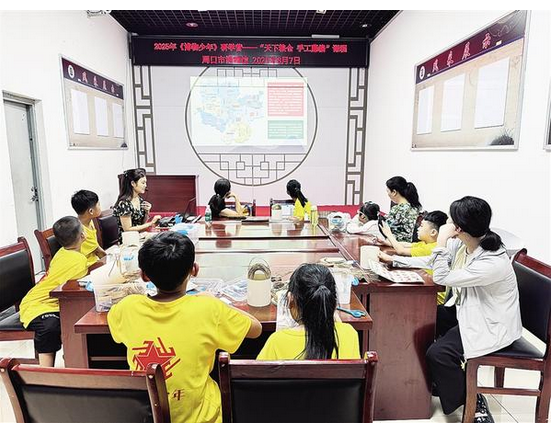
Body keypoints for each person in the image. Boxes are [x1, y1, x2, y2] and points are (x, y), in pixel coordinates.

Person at [389, 196, 522, 422]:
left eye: (450, 220)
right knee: (421, 319)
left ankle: (473, 400)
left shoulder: (492, 262)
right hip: (468, 310)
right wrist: (395, 262)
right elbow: (434, 261)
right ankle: (436, 380)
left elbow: (441, 276)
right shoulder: (464, 244)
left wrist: (440, 240)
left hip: (490, 324)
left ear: (459, 228)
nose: (447, 224)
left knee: (439, 353)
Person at [107, 232, 262, 423]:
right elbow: (256, 329)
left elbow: (114, 326)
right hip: (202, 419)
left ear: (144, 275)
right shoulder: (208, 308)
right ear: (194, 270)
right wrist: (218, 302)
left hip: (147, 417)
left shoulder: (127, 308)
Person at [19, 216, 88, 367]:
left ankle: (72, 358)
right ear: (83, 235)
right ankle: (46, 371)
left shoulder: (63, 252)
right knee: (50, 327)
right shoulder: (78, 260)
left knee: (75, 317)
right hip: (38, 305)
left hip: (46, 300)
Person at [257, 264, 360, 360]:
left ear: (290, 300)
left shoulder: (277, 342)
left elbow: (257, 372)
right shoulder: (349, 334)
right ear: (331, 301)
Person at [379, 210, 448, 304]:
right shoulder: (426, 243)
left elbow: (401, 250)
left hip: (433, 297)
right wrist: (386, 242)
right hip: (426, 287)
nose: (418, 228)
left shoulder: (432, 248)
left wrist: (389, 234)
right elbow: (406, 245)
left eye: (421, 226)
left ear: (433, 232)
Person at [112, 168, 161, 242]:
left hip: (139, 237)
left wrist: (147, 212)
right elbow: (127, 229)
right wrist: (150, 223)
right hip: (128, 241)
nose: (145, 185)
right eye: (143, 183)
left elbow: (142, 224)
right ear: (133, 183)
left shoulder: (139, 199)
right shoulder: (124, 203)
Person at [71, 189, 107, 266]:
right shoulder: (81, 231)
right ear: (91, 211)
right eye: (98, 205)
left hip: (94, 261)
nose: (100, 207)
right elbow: (99, 252)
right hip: (88, 266)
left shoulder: (88, 221)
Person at [384, 176, 422, 242]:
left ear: (394, 192)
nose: (388, 194)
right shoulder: (414, 207)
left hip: (397, 244)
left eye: (388, 191)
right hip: (410, 244)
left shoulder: (397, 209)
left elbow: (385, 229)